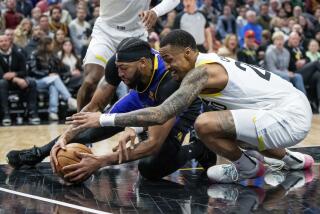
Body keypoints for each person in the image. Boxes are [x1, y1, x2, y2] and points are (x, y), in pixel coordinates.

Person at [68, 30, 314, 184]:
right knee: (222, 123)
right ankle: (293, 160)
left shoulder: (200, 74)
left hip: (289, 115)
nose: (167, 66)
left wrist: (102, 119)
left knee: (205, 125)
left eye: (169, 59)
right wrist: (135, 129)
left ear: (188, 53)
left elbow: (162, 113)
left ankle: (248, 169)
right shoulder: (207, 63)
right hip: (287, 106)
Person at [7, 38, 216, 183]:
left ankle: (199, 148)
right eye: (117, 68)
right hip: (143, 97)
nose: (119, 73)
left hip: (179, 107)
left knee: (150, 168)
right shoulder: (119, 64)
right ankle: (38, 153)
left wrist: (99, 162)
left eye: (124, 69)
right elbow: (94, 108)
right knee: (91, 128)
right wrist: (66, 137)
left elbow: (153, 143)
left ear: (143, 64)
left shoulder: (170, 81)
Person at [77, 0, 181, 112]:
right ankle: (80, 125)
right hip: (106, 31)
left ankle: (141, 123)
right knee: (91, 80)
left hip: (136, 33)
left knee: (142, 82)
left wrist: (156, 11)